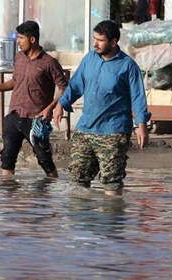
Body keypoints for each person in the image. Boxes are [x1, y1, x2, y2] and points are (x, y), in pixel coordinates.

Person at [53, 20, 150, 196]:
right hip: (86, 129)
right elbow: (75, 86)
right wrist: (61, 103)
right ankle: (82, 221)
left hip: (113, 132)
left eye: (100, 40)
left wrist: (141, 125)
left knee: (111, 181)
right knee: (77, 179)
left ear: (114, 42)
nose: (95, 43)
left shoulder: (128, 66)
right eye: (94, 38)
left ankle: (113, 220)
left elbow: (138, 97)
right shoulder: (89, 59)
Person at [0, 21, 67, 177]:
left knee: (44, 159)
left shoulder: (49, 63)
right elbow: (15, 82)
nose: (18, 41)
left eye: (21, 38)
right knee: (7, 158)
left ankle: (51, 192)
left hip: (35, 119)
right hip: (14, 115)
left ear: (32, 39)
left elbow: (64, 88)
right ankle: (7, 196)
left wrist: (50, 108)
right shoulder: (19, 58)